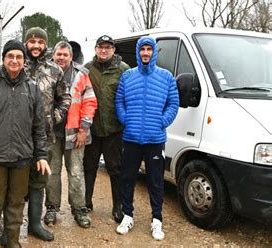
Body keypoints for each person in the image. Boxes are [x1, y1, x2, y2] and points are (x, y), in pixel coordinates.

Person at [0, 39, 50, 248]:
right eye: (10, 56)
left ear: (24, 60)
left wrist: (41, 155)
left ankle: (12, 241)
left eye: (19, 57)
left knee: (15, 204)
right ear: (3, 59)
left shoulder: (32, 88)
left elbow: (39, 127)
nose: (14, 60)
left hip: (22, 158)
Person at [115, 36, 179, 241]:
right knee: (127, 179)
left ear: (154, 52)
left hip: (155, 139)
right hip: (131, 138)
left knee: (155, 182)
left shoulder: (166, 77)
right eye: (142, 49)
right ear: (137, 52)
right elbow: (119, 101)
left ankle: (157, 220)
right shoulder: (128, 76)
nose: (145, 53)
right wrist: (126, 119)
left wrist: (162, 121)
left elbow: (173, 103)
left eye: (149, 49)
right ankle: (127, 215)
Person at [24, 27, 71, 242]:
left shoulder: (55, 70)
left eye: (40, 42)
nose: (35, 45)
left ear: (46, 45)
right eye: (32, 41)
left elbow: (65, 99)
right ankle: (11, 227)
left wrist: (54, 117)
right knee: (14, 182)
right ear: (26, 43)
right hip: (17, 137)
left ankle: (35, 224)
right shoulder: (15, 64)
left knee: (39, 181)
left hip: (45, 138)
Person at [44, 41, 97, 228]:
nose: (62, 58)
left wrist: (84, 129)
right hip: (51, 133)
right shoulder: (45, 72)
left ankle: (79, 209)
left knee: (75, 173)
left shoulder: (81, 74)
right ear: (53, 55)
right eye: (59, 54)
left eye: (65, 55)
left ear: (71, 56)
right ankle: (51, 208)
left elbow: (89, 102)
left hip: (75, 134)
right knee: (52, 172)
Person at [83, 35, 130, 223]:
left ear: (113, 50)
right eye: (100, 47)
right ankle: (86, 202)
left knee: (116, 169)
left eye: (108, 47)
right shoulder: (87, 69)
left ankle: (117, 207)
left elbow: (129, 98)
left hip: (114, 130)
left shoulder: (123, 70)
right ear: (95, 49)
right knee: (89, 167)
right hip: (92, 129)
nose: (104, 50)